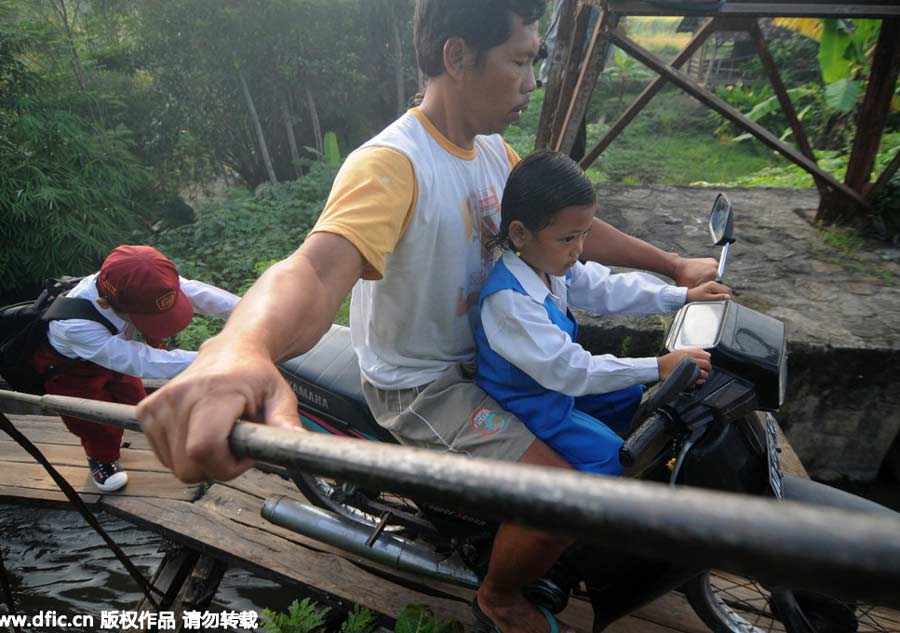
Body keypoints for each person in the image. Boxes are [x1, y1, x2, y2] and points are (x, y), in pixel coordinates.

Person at [137, 2, 718, 632]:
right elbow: (314, 268)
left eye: (535, 62)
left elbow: (569, 220)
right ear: (458, 56)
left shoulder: (494, 150)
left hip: (494, 360)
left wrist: (672, 266)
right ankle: (498, 598)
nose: (533, 82)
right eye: (521, 61)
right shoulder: (393, 165)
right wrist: (239, 346)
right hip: (425, 383)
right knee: (559, 497)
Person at [475, 151, 730, 475]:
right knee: (612, 458)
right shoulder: (510, 304)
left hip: (554, 390)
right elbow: (570, 370)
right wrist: (658, 366)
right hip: (530, 406)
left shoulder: (548, 266)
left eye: (584, 235)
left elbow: (605, 288)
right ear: (520, 234)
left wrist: (681, 295)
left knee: (631, 399)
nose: (579, 248)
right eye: (568, 238)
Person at [30, 245, 239, 492]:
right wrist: (219, 357)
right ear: (103, 303)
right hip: (73, 373)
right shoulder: (74, 325)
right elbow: (143, 361)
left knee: (135, 399)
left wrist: (249, 312)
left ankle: (161, 434)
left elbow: (197, 292)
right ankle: (102, 459)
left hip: (115, 353)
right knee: (95, 421)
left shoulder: (140, 280)